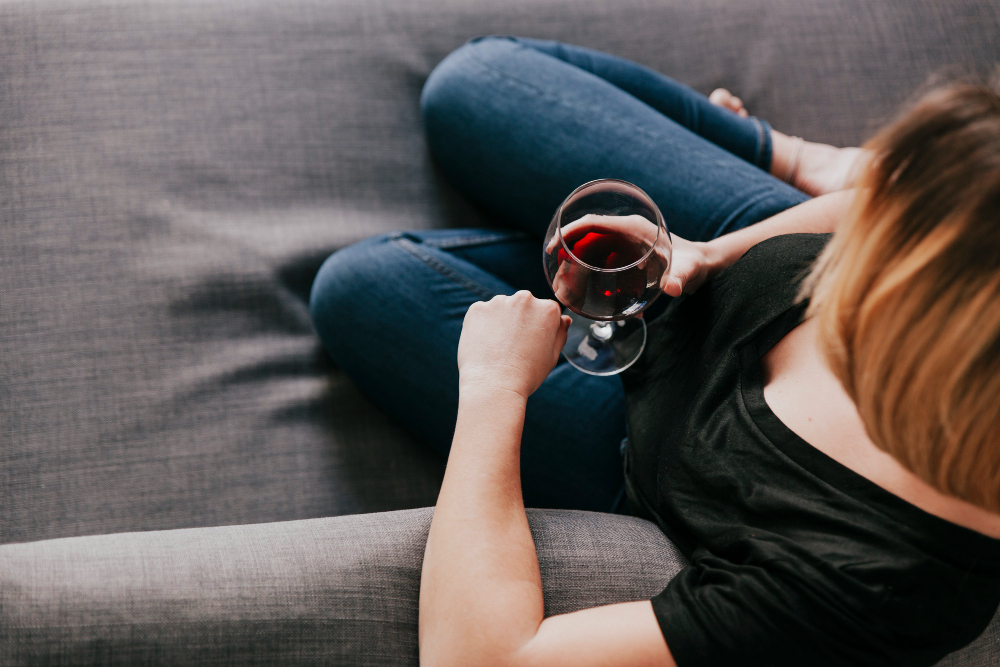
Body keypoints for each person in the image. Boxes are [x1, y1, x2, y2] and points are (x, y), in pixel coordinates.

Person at [309, 36, 1000, 666]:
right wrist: (709, 252)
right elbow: (892, 201)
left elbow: (479, 659)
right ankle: (806, 161)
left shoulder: (865, 585)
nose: (869, 226)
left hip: (640, 443)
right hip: (731, 259)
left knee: (359, 289)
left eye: (882, 255)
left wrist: (494, 387)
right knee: (472, 83)